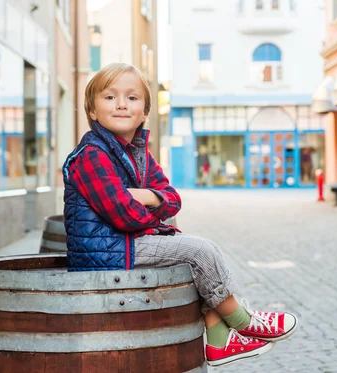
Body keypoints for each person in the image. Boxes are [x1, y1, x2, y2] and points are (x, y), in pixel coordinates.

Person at [62, 63, 297, 367]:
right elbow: (123, 215)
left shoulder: (139, 154)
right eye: (110, 97)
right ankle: (243, 320)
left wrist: (145, 196)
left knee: (189, 251)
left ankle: (218, 340)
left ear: (145, 111)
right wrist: (154, 218)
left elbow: (173, 199)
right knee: (200, 251)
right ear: (92, 110)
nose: (121, 104)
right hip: (106, 252)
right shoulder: (92, 155)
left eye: (132, 98)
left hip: (122, 245)